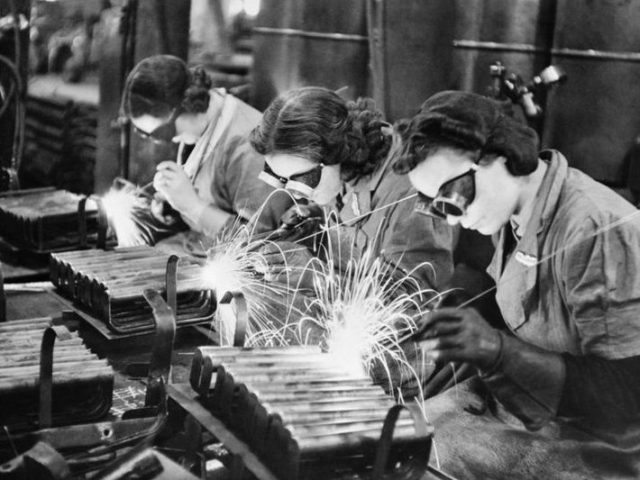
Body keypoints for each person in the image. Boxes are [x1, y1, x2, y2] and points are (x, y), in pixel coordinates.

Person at [394, 90, 640, 479]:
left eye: (454, 196)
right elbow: (531, 302)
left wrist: (497, 351)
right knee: (398, 433)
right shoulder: (517, 210)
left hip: (603, 437)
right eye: (437, 206)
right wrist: (458, 320)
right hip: (529, 405)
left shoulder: (593, 228)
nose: (453, 219)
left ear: (502, 156)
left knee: (423, 461)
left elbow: (628, 395)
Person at [248, 86, 458, 292]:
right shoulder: (338, 169)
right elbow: (352, 214)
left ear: (337, 152)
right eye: (281, 179)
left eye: (302, 180)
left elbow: (410, 299)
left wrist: (316, 277)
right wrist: (313, 224)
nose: (295, 194)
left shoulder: (411, 193)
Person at [121, 54, 292, 254]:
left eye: (163, 133)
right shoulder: (203, 122)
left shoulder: (250, 147)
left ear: (188, 104)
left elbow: (260, 243)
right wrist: (174, 204)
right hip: (201, 245)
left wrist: (192, 205)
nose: (171, 140)